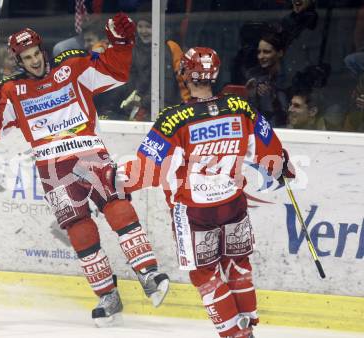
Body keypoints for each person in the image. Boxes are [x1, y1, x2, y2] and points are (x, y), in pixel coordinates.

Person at [0, 14, 169, 327]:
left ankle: (149, 273)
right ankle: (108, 295)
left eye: (37, 54)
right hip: (51, 168)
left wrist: (121, 42)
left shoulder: (73, 67)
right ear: (18, 60)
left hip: (89, 154)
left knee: (118, 208)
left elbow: (115, 71)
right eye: (27, 58)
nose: (35, 61)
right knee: (80, 231)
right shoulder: (11, 91)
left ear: (43, 51)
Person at [116, 47, 295, 338]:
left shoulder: (174, 118)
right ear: (215, 74)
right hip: (234, 204)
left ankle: (234, 335)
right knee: (238, 264)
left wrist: (114, 179)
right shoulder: (240, 107)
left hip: (194, 211)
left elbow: (145, 169)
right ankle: (248, 326)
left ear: (185, 74)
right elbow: (271, 154)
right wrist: (282, 165)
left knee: (205, 275)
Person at [245, 31, 289, 127]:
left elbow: (289, 114)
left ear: (280, 53)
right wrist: (251, 95)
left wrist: (273, 96)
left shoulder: (288, 79)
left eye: (267, 52)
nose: (260, 56)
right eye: (259, 52)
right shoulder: (252, 75)